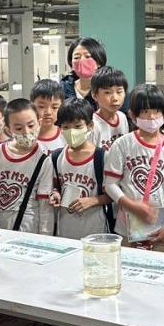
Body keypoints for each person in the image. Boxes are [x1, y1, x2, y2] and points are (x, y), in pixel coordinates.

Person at [104, 84, 164, 253]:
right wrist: (131, 205)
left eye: (156, 111)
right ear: (133, 115)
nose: (151, 117)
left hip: (162, 228)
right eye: (144, 112)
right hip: (127, 228)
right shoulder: (123, 144)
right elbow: (110, 184)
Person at [0, 99, 54, 234]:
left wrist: (45, 236)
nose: (26, 132)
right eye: (18, 128)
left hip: (28, 230)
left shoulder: (43, 158)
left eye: (31, 125)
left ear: (39, 122)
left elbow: (44, 205)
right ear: (8, 129)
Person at [48, 98, 111, 239]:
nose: (71, 132)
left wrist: (93, 200)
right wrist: (55, 195)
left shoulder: (102, 157)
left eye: (77, 127)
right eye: (65, 127)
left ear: (90, 126)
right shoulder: (57, 157)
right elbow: (56, 187)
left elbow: (113, 195)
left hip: (96, 232)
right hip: (65, 231)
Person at [59, 37, 107, 111]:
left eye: (87, 56)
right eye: (76, 57)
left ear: (99, 62)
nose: (82, 60)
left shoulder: (108, 88)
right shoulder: (63, 88)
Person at [90, 66, 129, 152]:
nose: (115, 98)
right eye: (107, 92)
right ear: (94, 95)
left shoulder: (122, 117)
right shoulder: (92, 124)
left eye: (119, 92)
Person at [31, 79, 66, 152]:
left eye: (55, 107)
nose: (48, 112)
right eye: (41, 106)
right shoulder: (25, 137)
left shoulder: (66, 136)